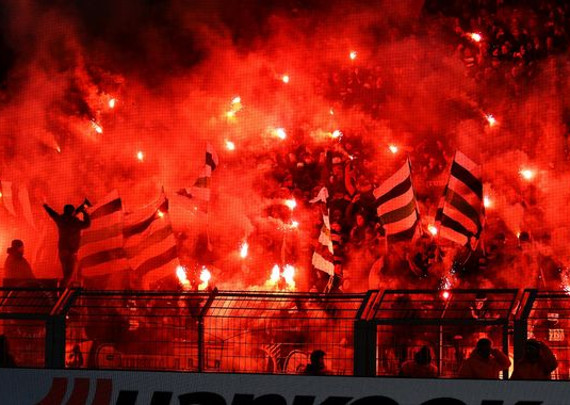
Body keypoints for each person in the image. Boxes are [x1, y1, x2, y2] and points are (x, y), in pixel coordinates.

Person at [43, 203, 91, 287]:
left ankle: (63, 289)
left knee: (66, 273)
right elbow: (87, 224)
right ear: (72, 212)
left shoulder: (60, 220)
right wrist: (85, 212)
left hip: (62, 251)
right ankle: (62, 289)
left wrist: (46, 207)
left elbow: (53, 214)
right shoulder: (75, 222)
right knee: (70, 275)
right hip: (71, 252)